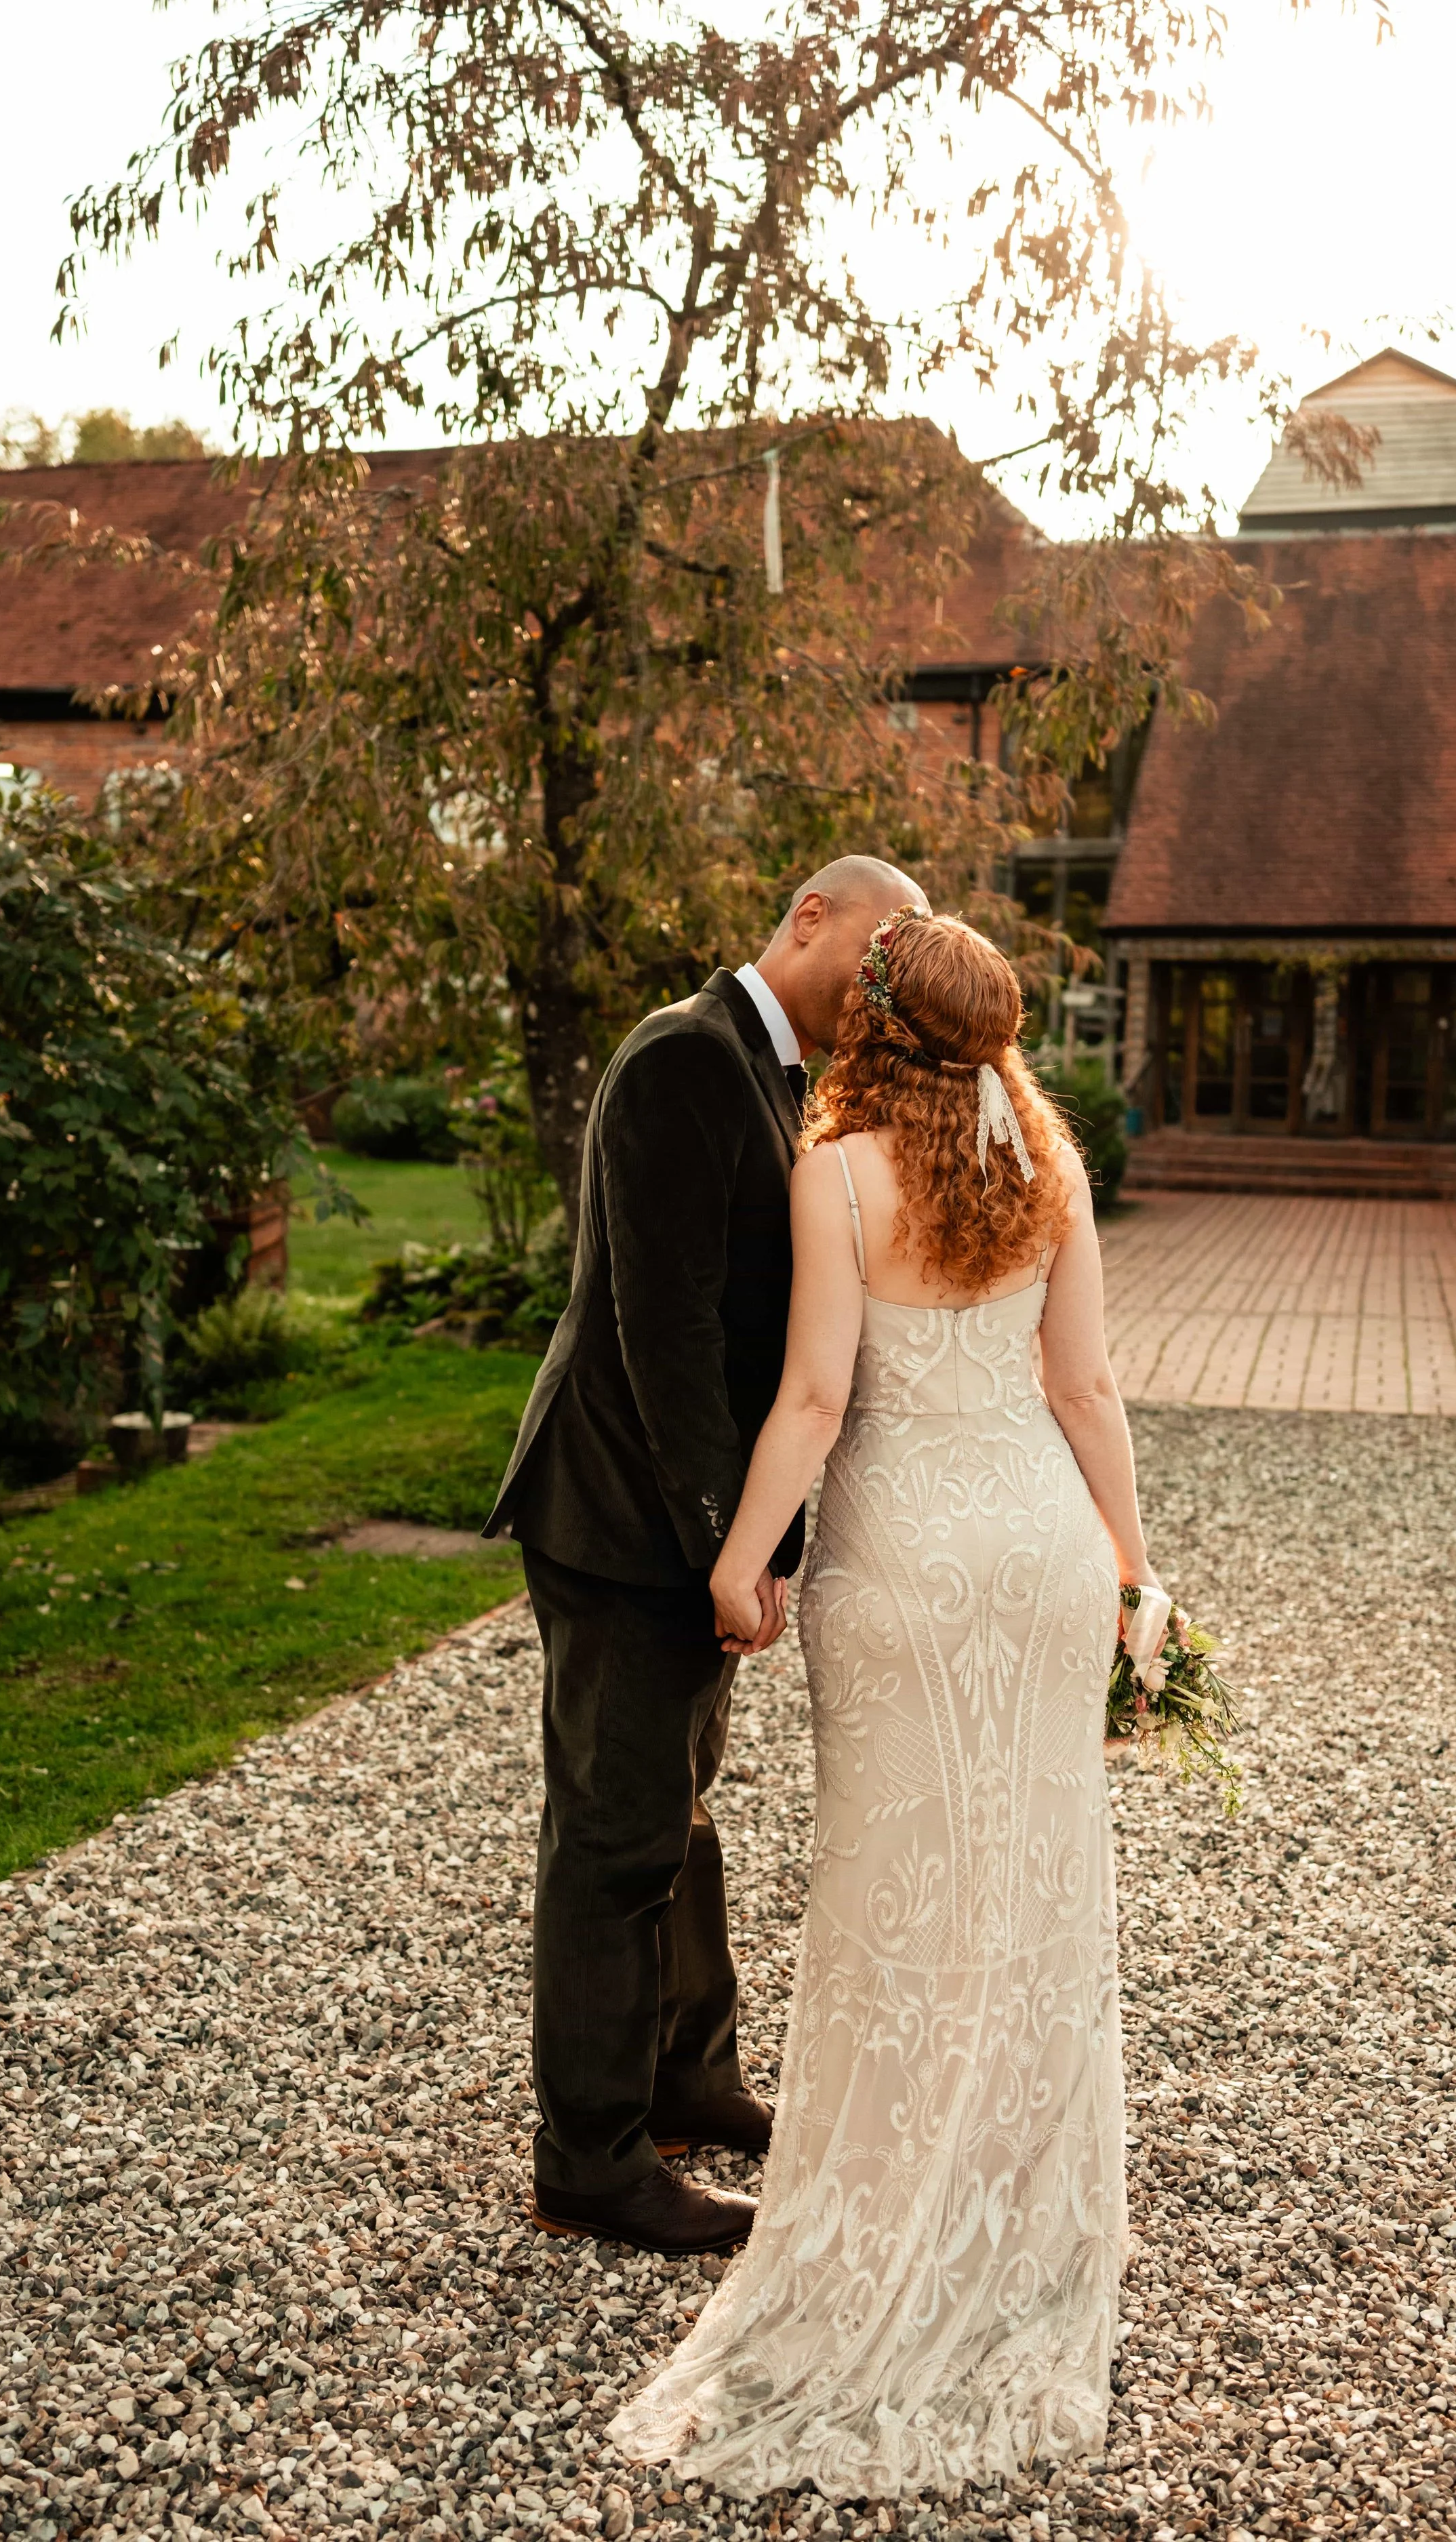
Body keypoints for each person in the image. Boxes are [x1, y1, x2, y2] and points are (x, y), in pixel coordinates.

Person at [609, 908, 1160, 2493]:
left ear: (871, 1022)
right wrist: (1127, 1572)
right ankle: (1029, 2213)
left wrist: (737, 1561)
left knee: (892, 1889)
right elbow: (1083, 1392)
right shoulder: (1046, 1166)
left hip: (906, 1564)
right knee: (1038, 1885)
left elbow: (815, 1399)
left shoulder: (834, 1168)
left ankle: (893, 2195)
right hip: (1041, 1557)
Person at [485, 857, 929, 2257]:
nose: (883, 988)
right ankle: (592, 2160)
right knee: (614, 1842)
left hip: (686, 1525)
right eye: (876, 954)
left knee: (681, 1813)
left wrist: (758, 1537)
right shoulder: (682, 1058)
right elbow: (662, 1329)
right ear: (808, 919)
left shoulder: (779, 1070)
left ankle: (687, 2078)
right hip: (623, 1523)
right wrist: (729, 1548)